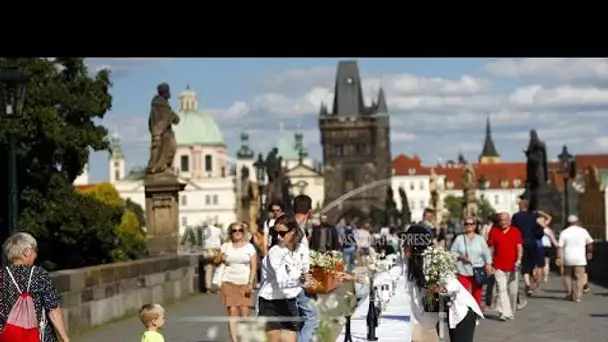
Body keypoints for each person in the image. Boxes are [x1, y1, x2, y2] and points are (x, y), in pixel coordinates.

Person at [405, 225, 484, 342]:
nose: (404, 246)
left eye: (407, 243)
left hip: (462, 311)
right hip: (448, 310)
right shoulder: (415, 262)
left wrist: (438, 288)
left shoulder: (433, 259)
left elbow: (453, 285)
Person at [0, 232, 70, 342]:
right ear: (25, 252)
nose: (35, 255)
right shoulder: (39, 274)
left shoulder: (2, 276)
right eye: (34, 251)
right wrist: (64, 337)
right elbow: (53, 309)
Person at [258, 217, 308, 342]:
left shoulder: (302, 249)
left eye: (282, 233)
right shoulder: (274, 252)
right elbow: (282, 281)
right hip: (270, 303)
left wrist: (310, 279)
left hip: (289, 302)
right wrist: (301, 279)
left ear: (293, 231)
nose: (278, 237)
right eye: (275, 233)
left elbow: (305, 276)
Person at [215, 222, 257, 342]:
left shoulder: (249, 247)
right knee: (232, 313)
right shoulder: (225, 246)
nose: (237, 232)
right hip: (228, 282)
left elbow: (253, 266)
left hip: (244, 283)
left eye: (240, 230)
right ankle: (234, 340)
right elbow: (216, 260)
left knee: (244, 314)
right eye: (234, 230)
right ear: (231, 233)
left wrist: (250, 283)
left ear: (243, 233)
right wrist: (220, 258)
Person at [450, 217, 493, 309]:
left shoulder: (480, 239)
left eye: (471, 224)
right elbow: (452, 252)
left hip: (477, 269)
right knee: (462, 294)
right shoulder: (459, 238)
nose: (468, 226)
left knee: (477, 294)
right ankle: (463, 313)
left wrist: (488, 264)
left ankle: (475, 313)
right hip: (462, 270)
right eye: (466, 224)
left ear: (475, 225)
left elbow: (486, 253)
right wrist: (460, 257)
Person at [487, 213, 523, 321]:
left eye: (506, 220)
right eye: (501, 220)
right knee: (501, 289)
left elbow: (519, 247)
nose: (503, 222)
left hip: (513, 266)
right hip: (498, 265)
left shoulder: (515, 231)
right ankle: (504, 313)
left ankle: (510, 311)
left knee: (513, 291)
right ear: (498, 221)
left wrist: (519, 260)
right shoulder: (494, 231)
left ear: (510, 221)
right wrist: (489, 262)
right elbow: (490, 247)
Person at [511, 200, 549, 296]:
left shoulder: (516, 216)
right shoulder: (533, 216)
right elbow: (540, 230)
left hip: (520, 242)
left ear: (520, 206)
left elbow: (513, 230)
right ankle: (532, 280)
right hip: (532, 242)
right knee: (532, 263)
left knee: (524, 263)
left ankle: (527, 283)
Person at [292, 194, 317, 342]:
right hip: (297, 280)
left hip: (291, 280)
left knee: (300, 318)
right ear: (310, 211)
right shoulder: (297, 230)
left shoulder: (289, 226)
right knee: (312, 318)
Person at [556, 215, 594, 302]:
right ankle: (578, 295)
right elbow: (590, 242)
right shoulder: (583, 231)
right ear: (577, 222)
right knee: (580, 277)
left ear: (568, 223)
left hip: (568, 257)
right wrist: (589, 252)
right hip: (580, 257)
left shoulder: (564, 232)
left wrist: (559, 258)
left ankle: (569, 294)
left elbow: (560, 247)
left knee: (567, 276)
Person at [202, 222, 224, 293]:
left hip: (207, 251)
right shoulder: (218, 230)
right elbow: (222, 238)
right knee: (217, 269)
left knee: (208, 269)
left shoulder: (205, 230)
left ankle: (208, 287)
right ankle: (216, 287)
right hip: (215, 251)